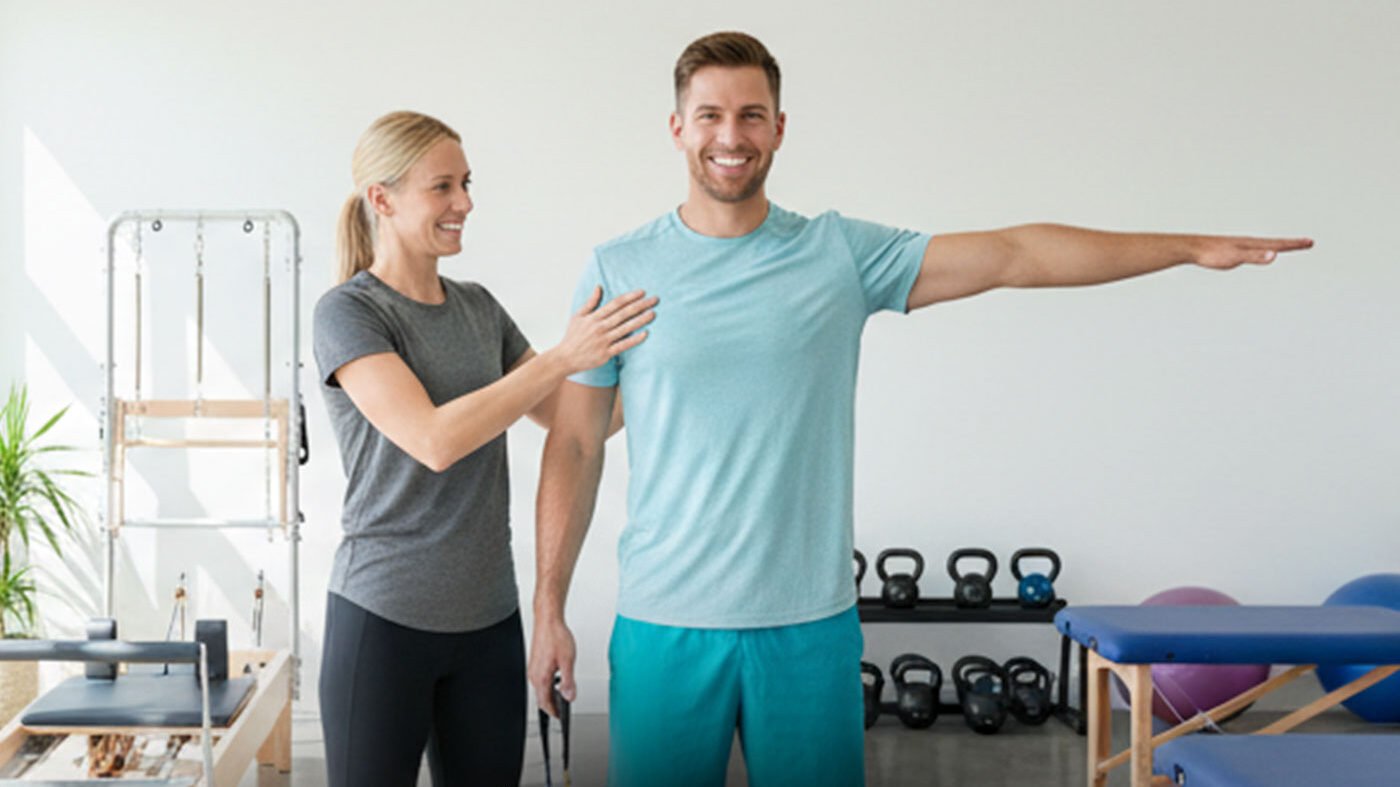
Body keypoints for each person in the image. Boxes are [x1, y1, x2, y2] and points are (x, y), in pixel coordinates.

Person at [526, 31, 1313, 787]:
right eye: (711, 115)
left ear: (779, 128)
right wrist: (550, 605)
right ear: (677, 128)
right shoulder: (619, 267)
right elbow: (576, 446)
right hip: (666, 623)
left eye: (751, 115)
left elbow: (1015, 254)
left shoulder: (837, 254)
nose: (731, 135)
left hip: (808, 626)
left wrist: (1185, 247)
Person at [313, 110, 655, 786]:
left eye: (466, 183)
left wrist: (664, 375)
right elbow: (433, 439)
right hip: (383, 620)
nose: (464, 203)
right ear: (382, 199)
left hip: (489, 622)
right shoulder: (349, 313)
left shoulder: (477, 307)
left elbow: (571, 417)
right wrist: (562, 355)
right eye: (442, 187)